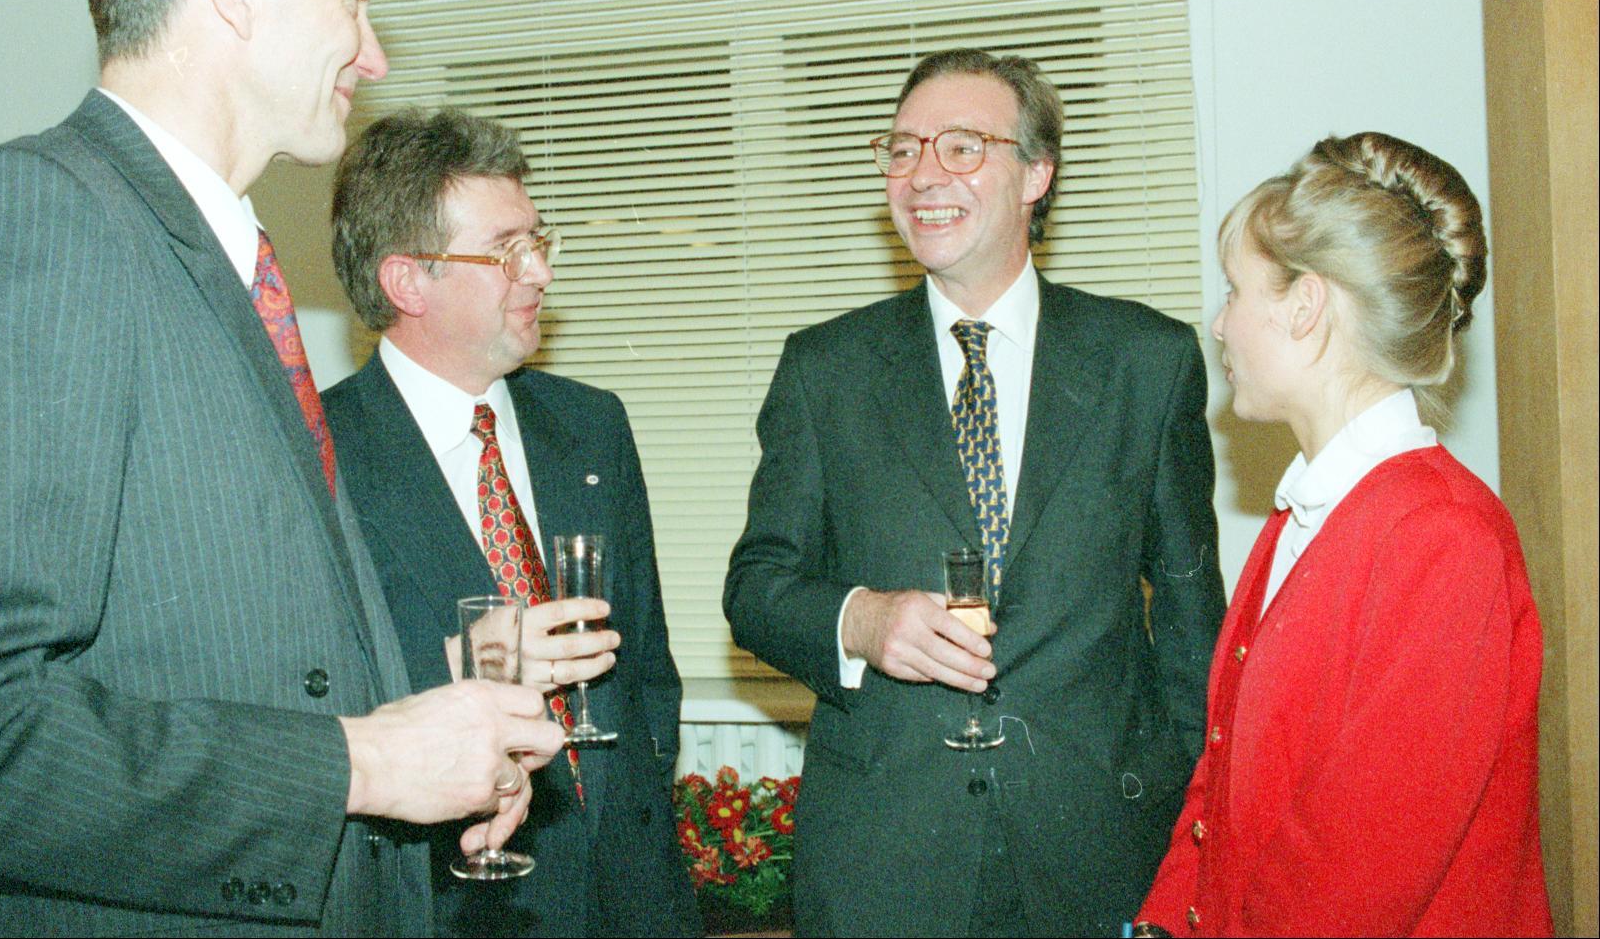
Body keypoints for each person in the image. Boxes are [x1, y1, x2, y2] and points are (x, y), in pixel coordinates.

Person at [0, 0, 561, 936]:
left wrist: (430, 744)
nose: (372, 55)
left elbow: (233, 652)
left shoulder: (222, 258)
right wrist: (361, 764)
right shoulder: (45, 216)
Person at [723, 48, 1226, 936]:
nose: (922, 175)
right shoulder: (825, 369)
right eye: (902, 148)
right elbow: (757, 588)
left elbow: (1194, 630)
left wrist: (1193, 825)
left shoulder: (1146, 362)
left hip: (1100, 854)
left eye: (961, 146)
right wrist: (860, 620)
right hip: (888, 860)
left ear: (1036, 174)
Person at [1133, 133, 1552, 937]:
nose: (1218, 325)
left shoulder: (1443, 537)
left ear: (1306, 307)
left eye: (1235, 291)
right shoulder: (1306, 513)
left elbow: (1348, 880)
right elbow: (1219, 789)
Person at [322, 108, 702, 938]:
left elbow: (647, 668)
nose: (540, 272)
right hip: (455, 899)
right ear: (407, 282)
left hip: (635, 896)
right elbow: (311, 703)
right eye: (506, 250)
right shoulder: (316, 455)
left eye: (538, 241)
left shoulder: (592, 425)